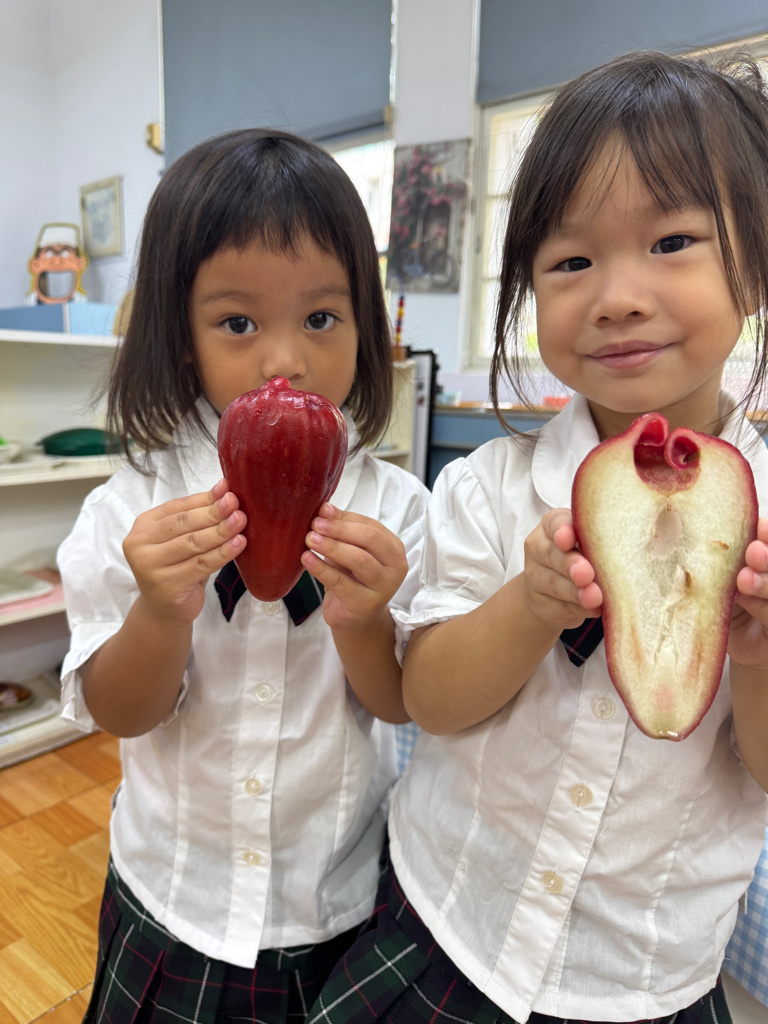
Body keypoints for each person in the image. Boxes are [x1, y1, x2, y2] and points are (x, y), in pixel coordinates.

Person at [307, 50, 768, 1024]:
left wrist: (760, 650)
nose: (618, 295)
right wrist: (527, 606)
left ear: (757, 266)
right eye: (571, 262)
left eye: (673, 240)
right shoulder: (485, 488)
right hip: (449, 918)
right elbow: (427, 702)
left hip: (639, 974)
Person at [56, 128, 430, 1024]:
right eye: (238, 324)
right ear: (182, 338)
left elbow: (396, 704)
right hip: (172, 899)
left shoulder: (399, 509)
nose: (285, 360)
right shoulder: (130, 509)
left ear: (365, 328)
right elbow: (120, 711)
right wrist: (158, 612)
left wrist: (364, 619)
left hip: (332, 901)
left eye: (321, 319)